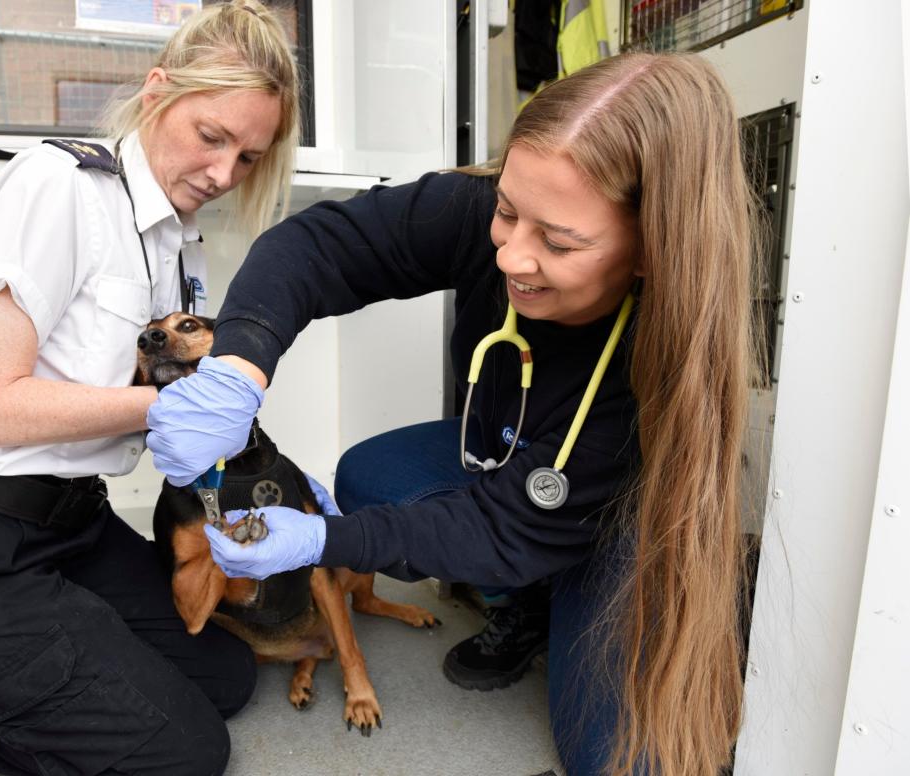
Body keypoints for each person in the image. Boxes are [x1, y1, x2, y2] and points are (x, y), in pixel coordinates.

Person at [146, 51, 758, 776]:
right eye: (507, 211)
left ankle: (565, 578)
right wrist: (238, 366)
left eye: (558, 242)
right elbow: (316, 246)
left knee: (622, 760)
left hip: (602, 508)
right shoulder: (484, 216)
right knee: (372, 475)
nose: (510, 257)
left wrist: (325, 540)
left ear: (653, 247)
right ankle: (524, 597)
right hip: (508, 457)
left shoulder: (659, 360)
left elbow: (505, 523)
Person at [0, 3, 300, 774]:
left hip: (70, 526)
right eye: (212, 137)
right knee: (180, 758)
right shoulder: (60, 187)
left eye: (247, 157)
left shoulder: (173, 239)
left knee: (224, 675)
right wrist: (173, 404)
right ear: (156, 92)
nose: (222, 174)